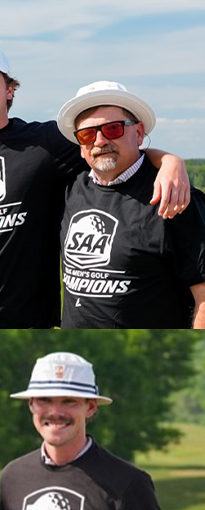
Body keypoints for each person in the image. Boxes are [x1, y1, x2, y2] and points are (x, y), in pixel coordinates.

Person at [0, 41, 190, 329]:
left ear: (9, 89)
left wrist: (170, 161)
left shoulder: (46, 143)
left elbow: (108, 145)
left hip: (26, 325)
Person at [56, 80, 205, 329]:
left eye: (113, 129)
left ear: (138, 133)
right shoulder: (69, 190)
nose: (100, 141)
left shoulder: (176, 196)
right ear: (80, 147)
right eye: (87, 134)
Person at [0, 352, 173, 510]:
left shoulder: (129, 482)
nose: (55, 412)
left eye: (69, 401)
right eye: (44, 400)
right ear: (31, 405)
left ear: (90, 407)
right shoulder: (13, 477)